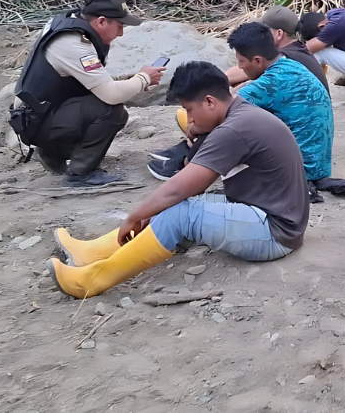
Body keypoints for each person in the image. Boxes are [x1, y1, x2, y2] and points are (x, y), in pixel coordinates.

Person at [48, 62, 308, 299]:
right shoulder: (241, 116)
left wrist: (135, 215)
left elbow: (182, 186)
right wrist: (199, 131)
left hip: (274, 233)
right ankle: (92, 253)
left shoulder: (234, 130)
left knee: (179, 211)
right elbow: (192, 168)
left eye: (189, 110)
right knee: (170, 205)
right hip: (275, 218)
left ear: (209, 101)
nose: (189, 119)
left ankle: (93, 280)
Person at [10, 0, 165, 187]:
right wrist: (143, 78)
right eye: (119, 26)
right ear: (101, 21)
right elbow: (111, 95)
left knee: (99, 105)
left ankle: (52, 152)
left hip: (38, 115)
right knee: (110, 111)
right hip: (37, 122)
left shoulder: (70, 26)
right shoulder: (74, 44)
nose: (121, 33)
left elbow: (90, 81)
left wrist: (132, 79)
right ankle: (80, 173)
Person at [149, 22, 333, 185]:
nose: (241, 67)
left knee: (222, 123)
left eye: (241, 61)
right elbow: (239, 94)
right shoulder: (289, 67)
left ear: (258, 60)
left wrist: (194, 129)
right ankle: (187, 154)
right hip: (316, 163)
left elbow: (223, 110)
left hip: (300, 170)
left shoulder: (269, 83)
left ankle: (187, 165)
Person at [225, 6, 328, 93]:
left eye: (264, 30)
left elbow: (233, 75)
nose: (260, 34)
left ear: (279, 33)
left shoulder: (283, 57)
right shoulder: (298, 50)